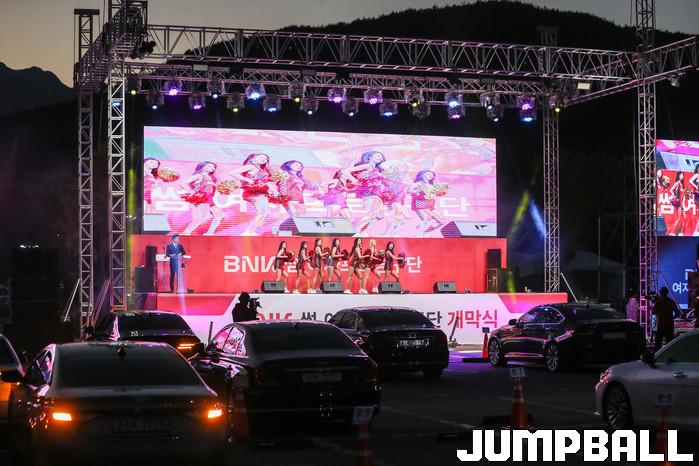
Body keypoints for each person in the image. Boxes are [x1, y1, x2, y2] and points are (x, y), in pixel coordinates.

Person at [652, 287, 679, 352]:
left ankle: (658, 356)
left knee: (658, 343)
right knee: (669, 343)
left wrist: (654, 303)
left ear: (661, 293)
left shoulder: (658, 302)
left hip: (661, 324)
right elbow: (677, 313)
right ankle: (669, 354)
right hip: (669, 324)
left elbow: (653, 312)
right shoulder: (671, 302)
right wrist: (672, 318)